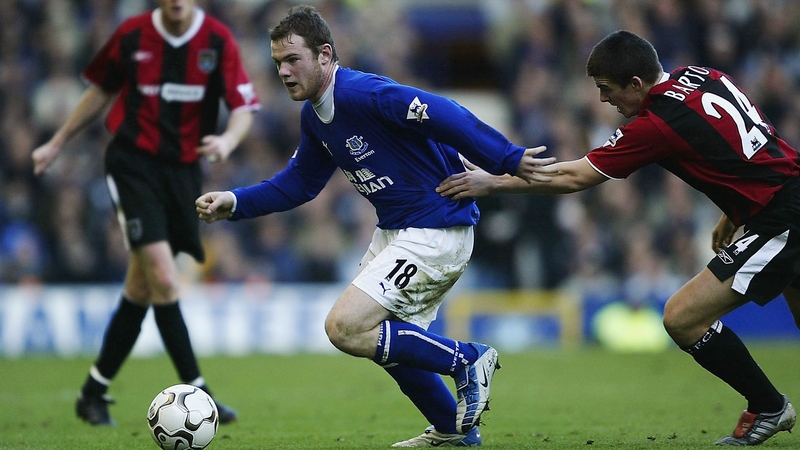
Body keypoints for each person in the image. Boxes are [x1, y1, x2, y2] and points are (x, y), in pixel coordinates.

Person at [195, 5, 551, 447]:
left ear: (325, 55)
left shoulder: (364, 94)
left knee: (345, 327)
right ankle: (452, 430)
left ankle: (467, 359)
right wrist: (235, 202)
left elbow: (444, 112)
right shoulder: (315, 116)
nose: (283, 71)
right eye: (278, 63)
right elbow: (300, 183)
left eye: (293, 59)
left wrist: (506, 158)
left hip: (435, 229)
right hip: (397, 232)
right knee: (384, 341)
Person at [437, 29, 799, 446]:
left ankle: (768, 406)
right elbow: (748, 147)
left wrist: (493, 183)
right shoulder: (702, 75)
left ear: (636, 84)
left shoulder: (657, 123)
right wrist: (733, 211)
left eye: (607, 89)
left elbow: (574, 176)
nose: (604, 99)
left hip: (782, 217)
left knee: (682, 317)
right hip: (783, 197)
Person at [31, 0, 260, 426]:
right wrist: (58, 141)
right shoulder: (132, 35)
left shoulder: (217, 40)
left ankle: (92, 393)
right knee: (164, 277)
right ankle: (200, 392)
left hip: (183, 175)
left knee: (141, 286)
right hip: (133, 167)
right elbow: (100, 91)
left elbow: (244, 107)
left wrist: (227, 141)